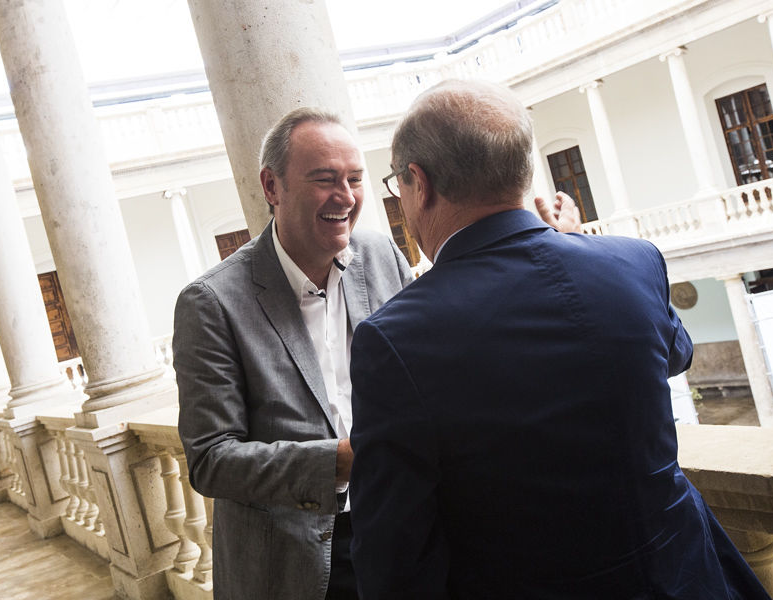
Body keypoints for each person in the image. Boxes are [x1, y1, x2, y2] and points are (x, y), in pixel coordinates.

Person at [348, 79, 771, 600]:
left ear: (419, 181)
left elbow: (393, 557)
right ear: (523, 171)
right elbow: (675, 353)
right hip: (685, 578)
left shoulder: (394, 338)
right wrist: (572, 251)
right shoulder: (633, 263)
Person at [173, 106, 579, 600]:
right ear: (271, 186)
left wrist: (554, 251)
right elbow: (212, 459)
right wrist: (346, 461)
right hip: (292, 564)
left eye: (355, 179)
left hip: (400, 530)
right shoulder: (211, 302)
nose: (345, 198)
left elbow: (445, 336)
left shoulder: (380, 254)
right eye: (325, 180)